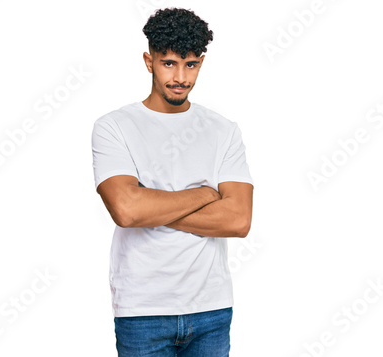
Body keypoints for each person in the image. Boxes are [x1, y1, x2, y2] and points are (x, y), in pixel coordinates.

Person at [91, 7, 253, 357]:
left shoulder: (224, 131)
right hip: (143, 311)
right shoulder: (114, 127)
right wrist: (206, 195)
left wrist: (153, 206)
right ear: (149, 61)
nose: (180, 76)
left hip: (211, 308)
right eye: (169, 63)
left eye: (190, 64)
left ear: (201, 63)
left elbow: (238, 220)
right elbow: (126, 210)